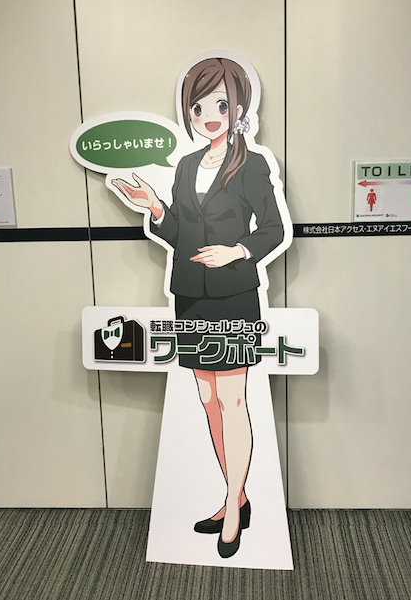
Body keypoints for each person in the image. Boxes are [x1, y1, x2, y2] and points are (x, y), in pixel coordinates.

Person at [112, 57, 286, 558]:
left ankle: (231, 508)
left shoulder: (252, 164)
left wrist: (238, 250)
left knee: (232, 401)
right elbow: (179, 234)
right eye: (199, 107)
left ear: (239, 109)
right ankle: (239, 496)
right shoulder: (187, 165)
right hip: (190, 295)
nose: (209, 116)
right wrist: (154, 206)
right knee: (208, 401)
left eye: (221, 105)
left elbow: (273, 229)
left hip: (233, 295)